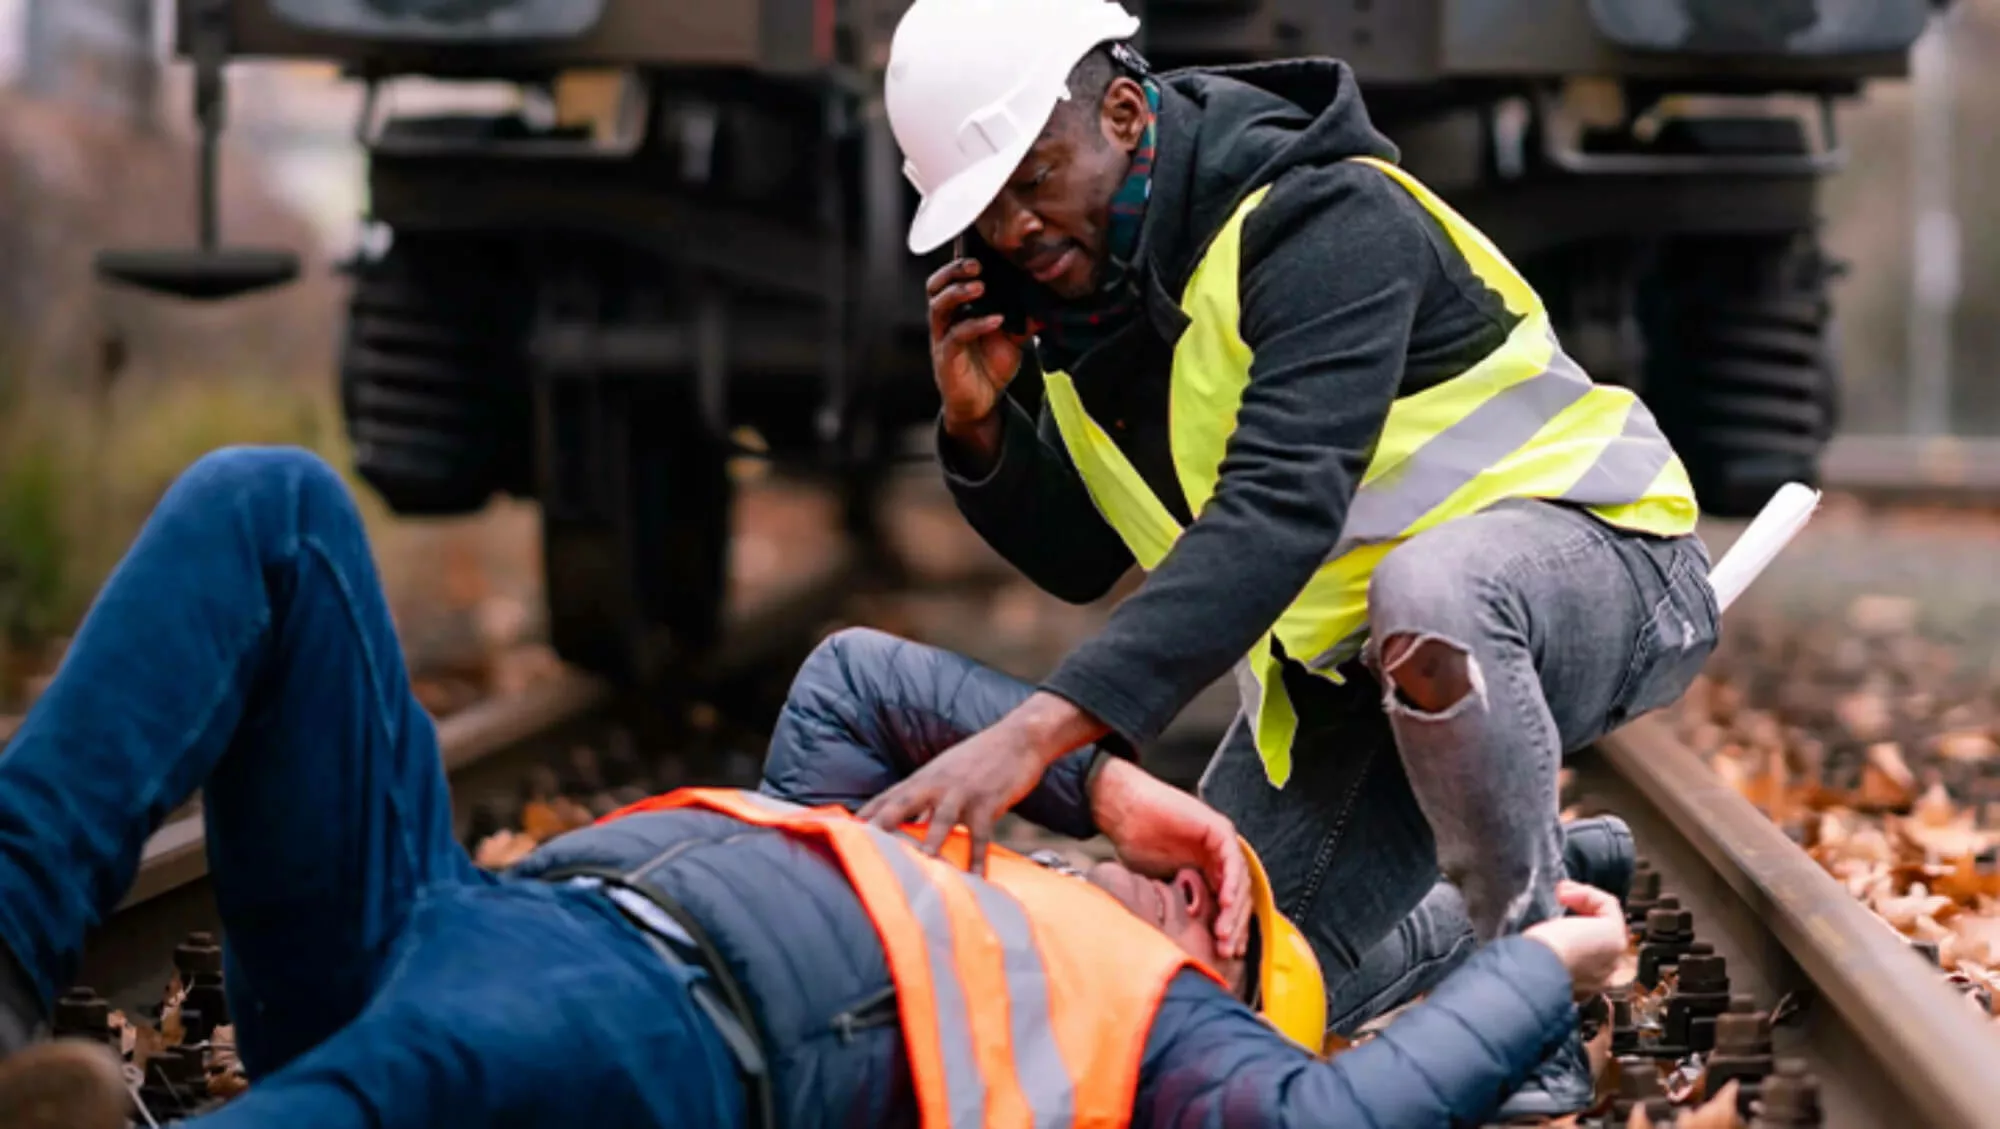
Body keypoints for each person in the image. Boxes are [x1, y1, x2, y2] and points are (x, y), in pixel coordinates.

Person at [0, 446, 1635, 1129]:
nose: (1180, 895)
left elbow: (1335, 1108)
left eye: (1217, 915)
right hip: (444, 917)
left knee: (446, 1056)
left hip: (647, 1036)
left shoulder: (1153, 1035)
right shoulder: (914, 849)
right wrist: (1104, 790)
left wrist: (1534, 961)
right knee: (271, 505)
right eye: (1198, 874)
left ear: (1220, 984)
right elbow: (860, 672)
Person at [867, 0, 1721, 1116]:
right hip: (1355, 684)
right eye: (985, 210)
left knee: (1434, 589)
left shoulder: (1319, 212)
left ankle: (1530, 1001)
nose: (1016, 229)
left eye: (1034, 179)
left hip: (1602, 568)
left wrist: (1034, 735)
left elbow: (1281, 504)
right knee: (1208, 989)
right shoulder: (1085, 307)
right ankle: (1556, 882)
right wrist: (981, 431)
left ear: (1123, 113)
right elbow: (1084, 558)